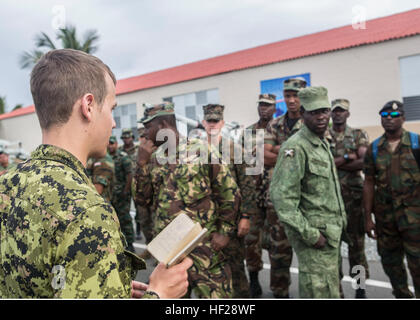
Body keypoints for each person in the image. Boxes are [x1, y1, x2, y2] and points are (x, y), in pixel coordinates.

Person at [0, 49, 191, 299]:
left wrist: (110, 284)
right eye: (111, 108)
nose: (113, 123)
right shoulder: (86, 212)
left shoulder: (7, 183)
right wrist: (159, 294)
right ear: (88, 106)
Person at [133, 102, 240, 298]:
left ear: (164, 123)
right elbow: (141, 200)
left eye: (149, 127)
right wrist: (141, 165)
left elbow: (229, 192)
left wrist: (224, 232)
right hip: (169, 249)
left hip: (205, 247)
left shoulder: (201, 150)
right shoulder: (152, 158)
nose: (145, 133)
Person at [270, 86, 347, 298]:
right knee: (318, 291)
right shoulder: (296, 147)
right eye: (314, 112)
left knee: (330, 288)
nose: (321, 117)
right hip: (316, 237)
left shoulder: (321, 143)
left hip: (330, 234)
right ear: (303, 114)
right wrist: (310, 235)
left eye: (324, 110)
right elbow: (282, 198)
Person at [363, 100, 420, 298]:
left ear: (403, 118)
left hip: (415, 220)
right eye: (385, 115)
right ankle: (402, 295)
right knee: (390, 263)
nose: (389, 119)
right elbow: (369, 182)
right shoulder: (375, 148)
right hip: (386, 220)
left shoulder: (416, 143)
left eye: (394, 116)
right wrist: (368, 218)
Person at [201, 103, 257, 298]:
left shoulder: (235, 150)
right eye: (209, 121)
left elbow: (248, 185)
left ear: (222, 123)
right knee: (207, 272)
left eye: (216, 121)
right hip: (205, 223)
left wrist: (246, 216)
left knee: (235, 270)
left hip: (231, 221)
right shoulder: (196, 151)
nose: (212, 124)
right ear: (203, 123)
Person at [263, 79, 308, 298]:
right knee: (279, 253)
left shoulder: (313, 121)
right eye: (287, 95)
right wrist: (292, 152)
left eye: (296, 95)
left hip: (307, 199)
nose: (291, 100)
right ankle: (280, 293)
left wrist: (280, 150)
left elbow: (312, 158)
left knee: (311, 253)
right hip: (279, 200)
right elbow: (264, 155)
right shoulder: (275, 124)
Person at [329, 98, 370, 298]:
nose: (338, 114)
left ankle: (360, 288)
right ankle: (336, 290)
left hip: (353, 200)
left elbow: (364, 161)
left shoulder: (357, 134)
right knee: (332, 249)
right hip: (330, 201)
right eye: (335, 111)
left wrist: (333, 164)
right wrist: (346, 158)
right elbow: (321, 164)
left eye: (341, 111)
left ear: (348, 114)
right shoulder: (323, 135)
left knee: (357, 249)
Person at [108, 135, 136, 253]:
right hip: (111, 194)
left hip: (122, 194)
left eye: (112, 143)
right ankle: (118, 242)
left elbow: (129, 175)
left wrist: (126, 190)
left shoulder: (123, 157)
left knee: (125, 219)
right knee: (113, 219)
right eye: (108, 143)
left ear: (116, 144)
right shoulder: (106, 158)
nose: (110, 146)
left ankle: (130, 243)